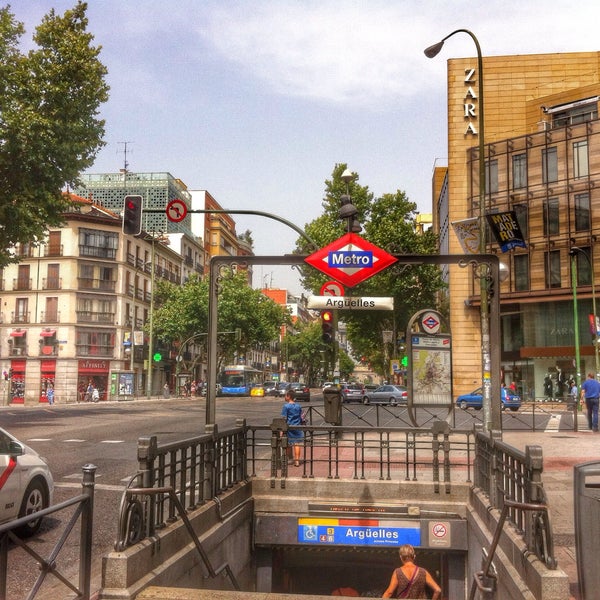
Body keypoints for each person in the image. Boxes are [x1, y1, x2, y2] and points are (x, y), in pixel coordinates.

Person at [281, 388, 303, 467]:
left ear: (289, 396)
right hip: (297, 426)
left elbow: (284, 418)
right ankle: (297, 461)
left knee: (288, 444)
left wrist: (282, 430)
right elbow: (300, 417)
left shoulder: (286, 406)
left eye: (285, 396)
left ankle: (288, 460)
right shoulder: (298, 406)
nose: (284, 397)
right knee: (296, 444)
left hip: (289, 427)